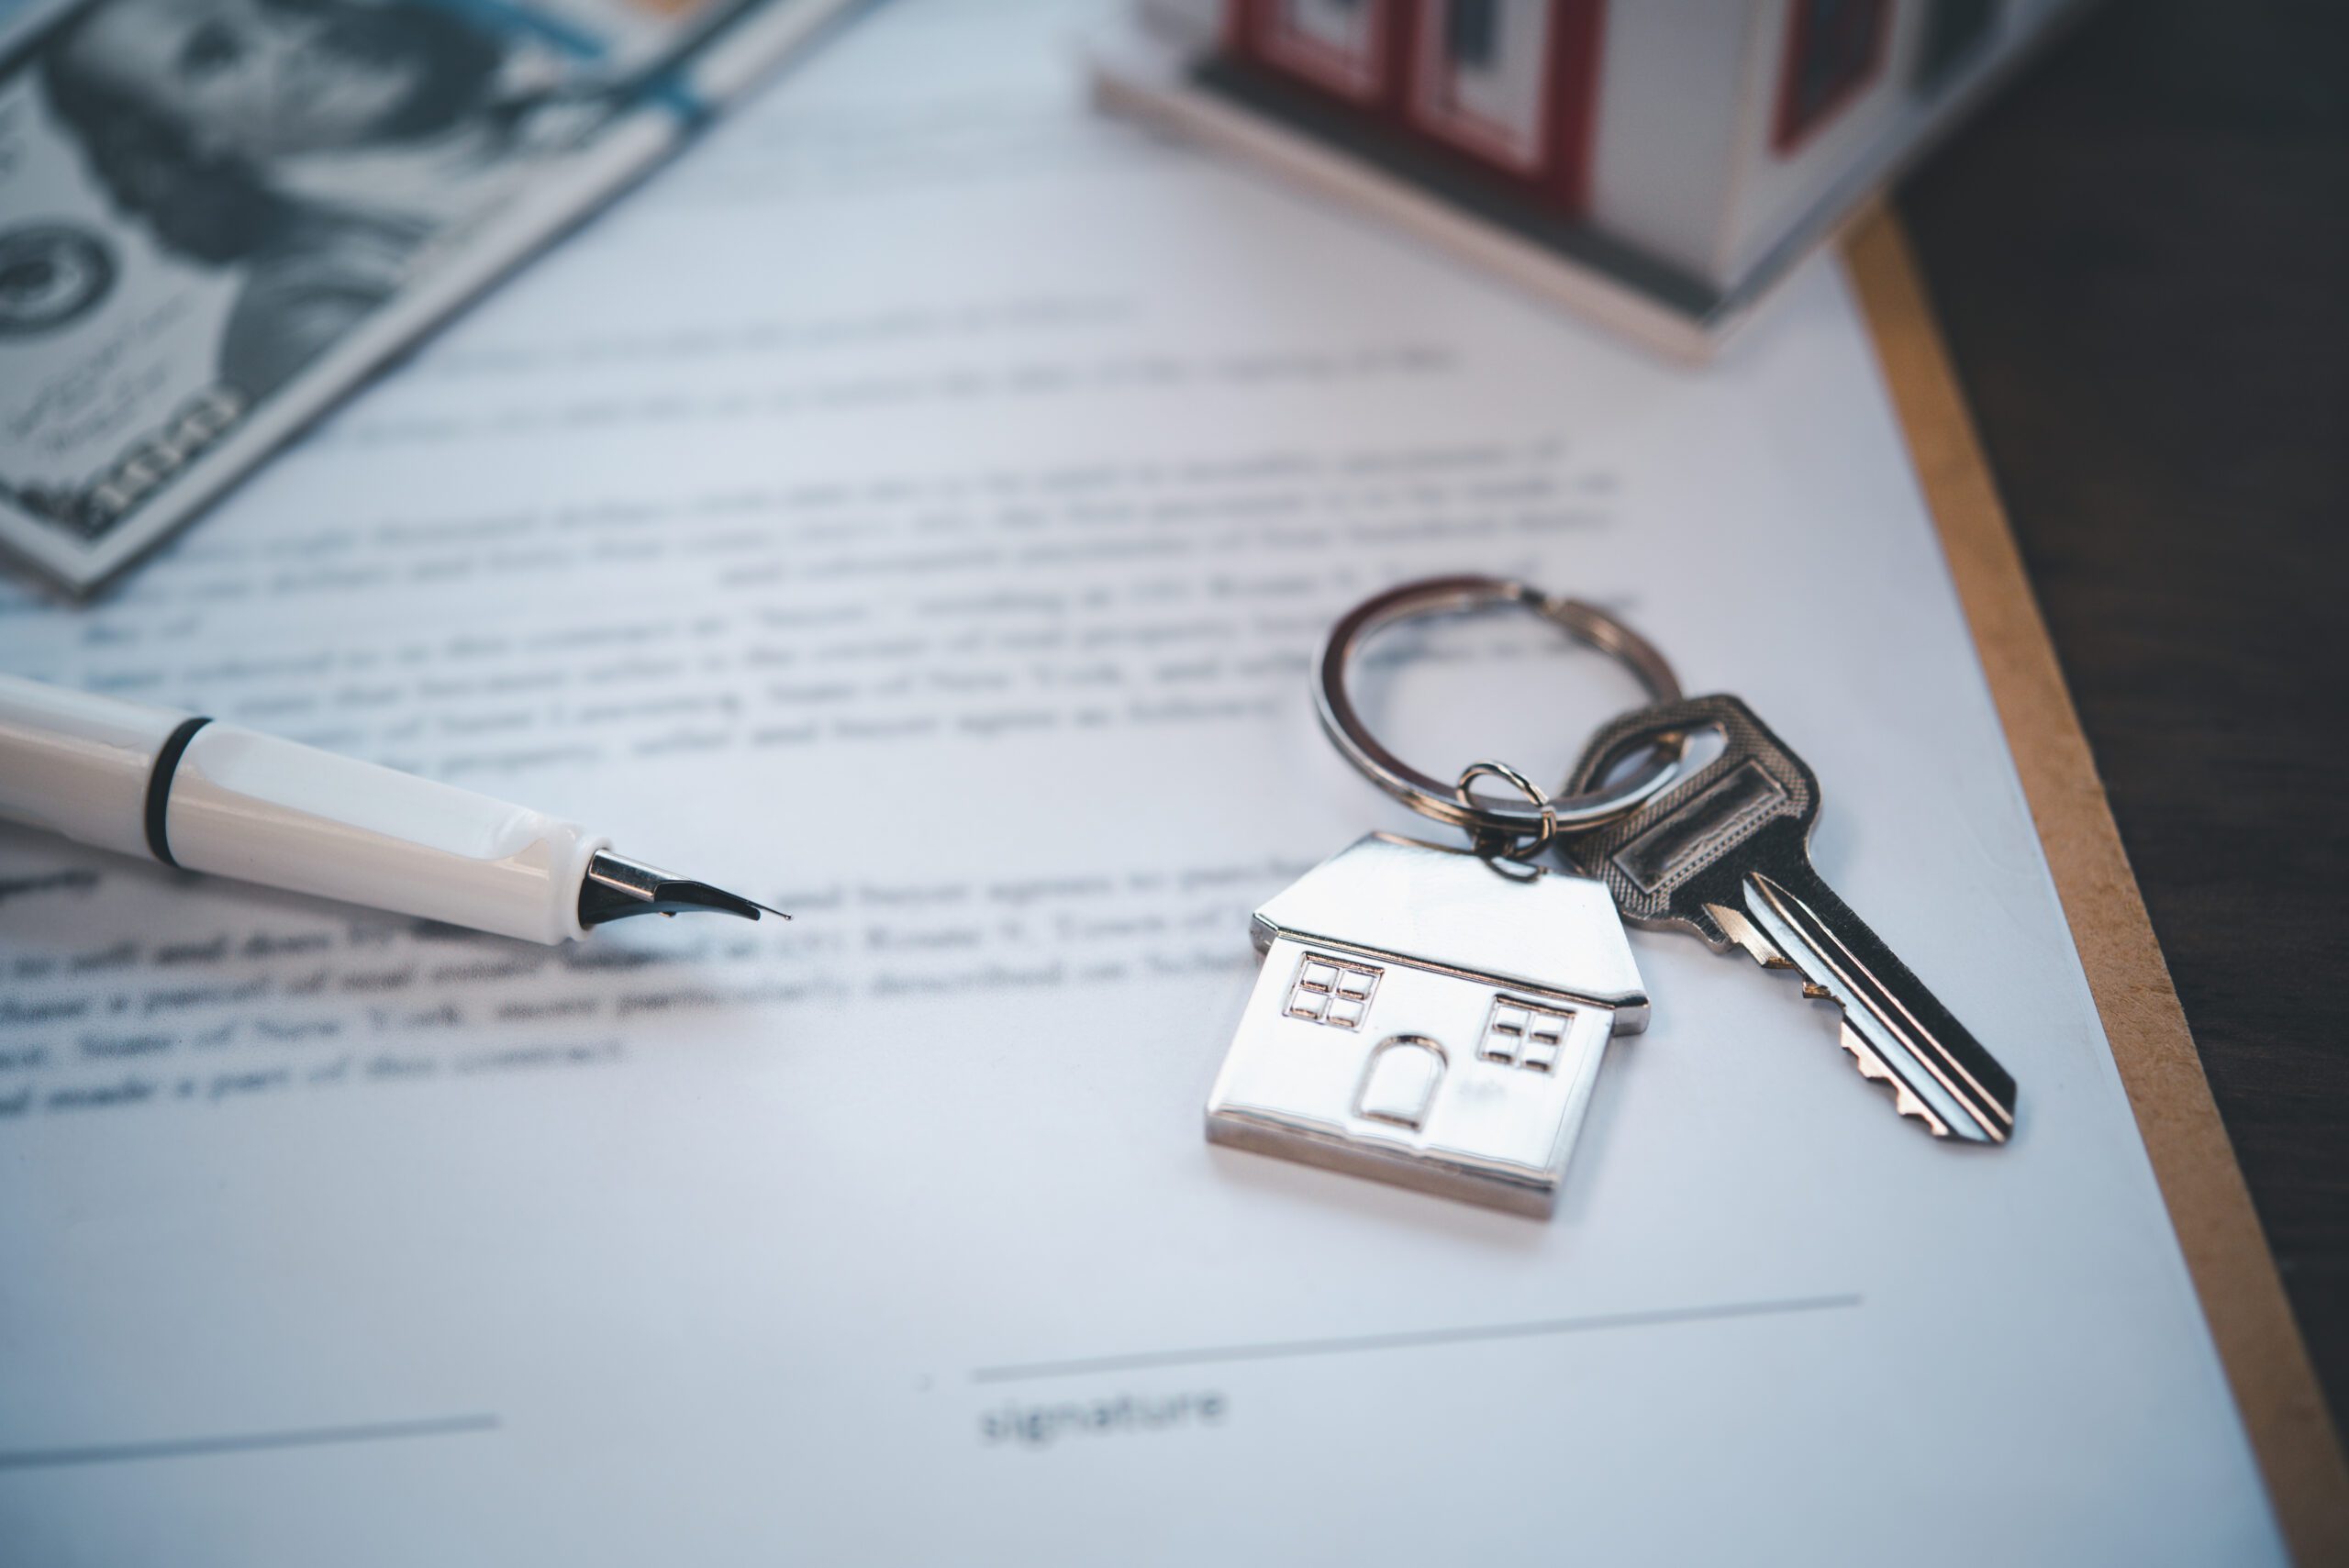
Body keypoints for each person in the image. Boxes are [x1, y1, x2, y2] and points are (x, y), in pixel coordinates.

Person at [36, 0, 590, 395]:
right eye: (216, 54)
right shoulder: (308, 314)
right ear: (190, 142)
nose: (293, 34)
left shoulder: (548, 67)